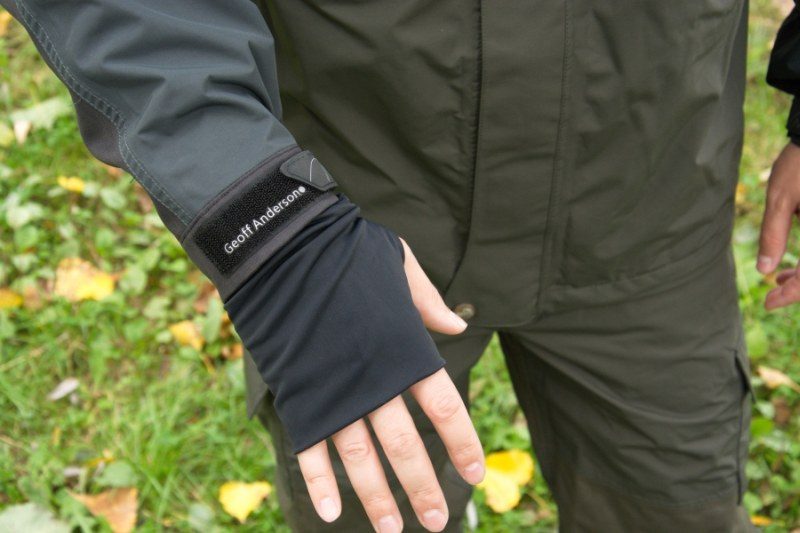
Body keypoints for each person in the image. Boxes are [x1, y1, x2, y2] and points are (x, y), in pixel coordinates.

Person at [4, 0, 800, 531]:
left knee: (674, 508)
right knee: (375, 509)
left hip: (649, 187)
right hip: (351, 197)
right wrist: (272, 223)